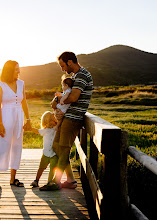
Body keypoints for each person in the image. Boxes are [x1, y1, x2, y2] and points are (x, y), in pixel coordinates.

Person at [40, 51, 93, 191]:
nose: (63, 69)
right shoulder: (75, 76)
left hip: (73, 119)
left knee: (63, 149)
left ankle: (56, 182)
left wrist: (57, 100)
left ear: (70, 62)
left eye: (63, 66)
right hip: (67, 118)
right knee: (57, 147)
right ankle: (70, 180)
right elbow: (68, 95)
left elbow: (74, 97)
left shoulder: (82, 75)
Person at [0, 60, 32, 189]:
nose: (19, 71)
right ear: (9, 70)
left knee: (17, 147)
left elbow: (24, 102)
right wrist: (0, 123)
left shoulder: (21, 83)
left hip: (19, 118)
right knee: (2, 147)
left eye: (19, 68)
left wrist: (28, 119)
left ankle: (13, 179)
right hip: (5, 118)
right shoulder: (0, 85)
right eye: (16, 69)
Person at [29, 111, 58, 188]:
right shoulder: (45, 130)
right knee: (41, 167)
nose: (54, 121)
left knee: (53, 168)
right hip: (45, 153)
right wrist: (30, 128)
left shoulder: (56, 129)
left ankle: (50, 182)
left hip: (54, 154)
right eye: (52, 120)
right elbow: (37, 131)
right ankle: (36, 180)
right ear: (47, 122)